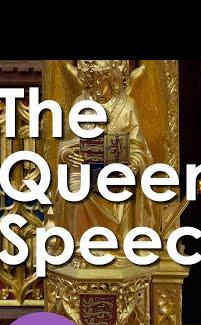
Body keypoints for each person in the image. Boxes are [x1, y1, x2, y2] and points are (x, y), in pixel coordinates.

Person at [54, 60, 156, 246]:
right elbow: (65, 144)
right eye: (90, 80)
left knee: (123, 189)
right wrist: (67, 154)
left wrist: (134, 162)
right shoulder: (81, 104)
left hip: (117, 173)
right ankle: (81, 249)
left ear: (111, 77)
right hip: (84, 172)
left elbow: (139, 147)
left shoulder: (127, 106)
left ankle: (118, 243)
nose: (95, 86)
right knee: (76, 193)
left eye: (100, 79)